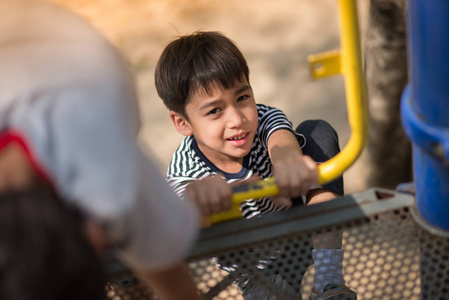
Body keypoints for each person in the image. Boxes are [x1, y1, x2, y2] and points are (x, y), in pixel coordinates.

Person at [0, 1, 204, 299]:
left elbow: (172, 283)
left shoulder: (113, 187)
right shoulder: (114, 191)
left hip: (71, 54)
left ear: (95, 236)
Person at [155, 31, 357, 299]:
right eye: (215, 111)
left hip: (301, 220)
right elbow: (185, 202)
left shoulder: (260, 117)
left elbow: (279, 136)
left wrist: (288, 162)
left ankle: (328, 282)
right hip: (259, 268)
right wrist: (216, 196)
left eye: (242, 98)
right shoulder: (185, 171)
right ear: (182, 122)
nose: (237, 119)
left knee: (316, 131)